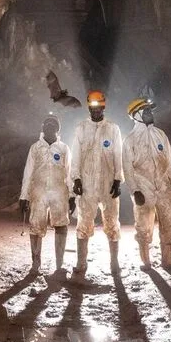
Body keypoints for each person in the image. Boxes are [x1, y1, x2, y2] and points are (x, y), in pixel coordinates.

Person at [125, 97, 171, 266]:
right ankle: (146, 261)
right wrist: (134, 190)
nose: (149, 113)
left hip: (163, 186)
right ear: (136, 115)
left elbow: (170, 163)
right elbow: (127, 169)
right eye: (145, 110)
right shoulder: (130, 140)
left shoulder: (160, 135)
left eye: (149, 110)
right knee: (144, 226)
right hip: (143, 187)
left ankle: (167, 259)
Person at [70, 89, 125, 276]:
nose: (95, 111)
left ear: (103, 107)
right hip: (87, 184)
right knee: (84, 222)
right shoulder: (81, 128)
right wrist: (76, 178)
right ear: (88, 107)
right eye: (92, 107)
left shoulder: (113, 129)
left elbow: (118, 155)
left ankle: (114, 262)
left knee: (111, 222)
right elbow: (75, 155)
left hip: (108, 183)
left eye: (98, 107)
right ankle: (81, 262)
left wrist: (118, 179)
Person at [18, 114, 74, 277]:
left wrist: (71, 195)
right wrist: (24, 196)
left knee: (61, 225)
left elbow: (69, 172)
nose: (50, 128)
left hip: (59, 192)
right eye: (47, 125)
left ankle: (59, 264)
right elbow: (28, 173)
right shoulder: (35, 148)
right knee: (36, 226)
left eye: (53, 125)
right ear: (42, 128)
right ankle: (36, 264)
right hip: (39, 192)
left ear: (58, 129)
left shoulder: (64, 148)